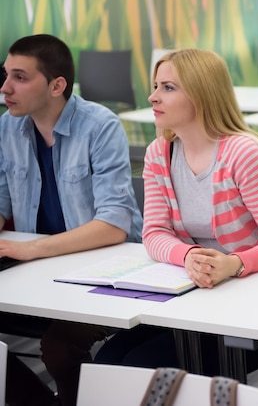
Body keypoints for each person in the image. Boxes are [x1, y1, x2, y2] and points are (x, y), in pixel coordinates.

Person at [94, 49, 258, 374]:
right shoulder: (159, 152)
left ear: (202, 94)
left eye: (168, 88)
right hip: (188, 299)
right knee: (106, 364)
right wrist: (188, 256)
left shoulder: (244, 153)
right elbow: (154, 233)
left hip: (249, 307)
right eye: (156, 86)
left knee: (136, 368)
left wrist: (234, 264)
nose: (152, 96)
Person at [0, 34, 143, 406]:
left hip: (111, 272)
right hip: (43, 268)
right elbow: (1, 204)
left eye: (19, 77)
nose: (5, 88)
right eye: (5, 75)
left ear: (56, 85)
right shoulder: (7, 128)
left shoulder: (100, 125)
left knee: (60, 348)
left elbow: (114, 225)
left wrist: (30, 249)